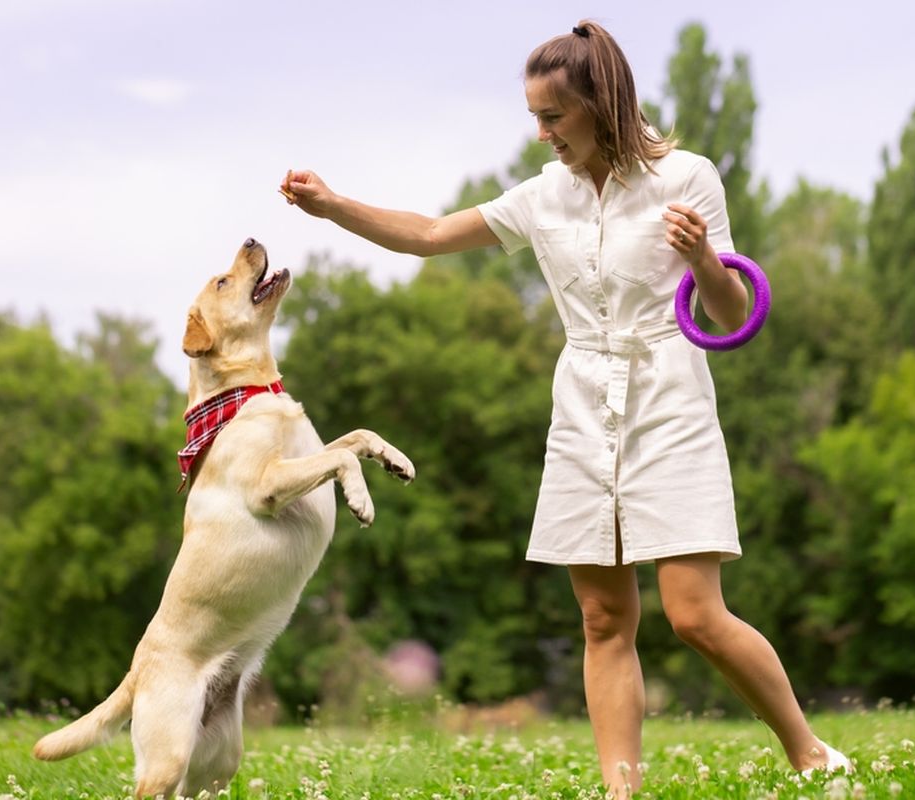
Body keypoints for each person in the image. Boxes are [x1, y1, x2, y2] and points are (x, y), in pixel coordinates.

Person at [279, 20, 851, 797]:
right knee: (602, 620)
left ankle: (810, 753)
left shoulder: (688, 178)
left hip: (669, 395)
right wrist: (334, 206)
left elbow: (728, 313)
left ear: (600, 103)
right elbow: (429, 234)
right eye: (535, 119)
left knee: (692, 615)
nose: (542, 134)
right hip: (583, 401)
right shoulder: (542, 197)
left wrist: (702, 260)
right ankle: (622, 791)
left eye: (554, 117)